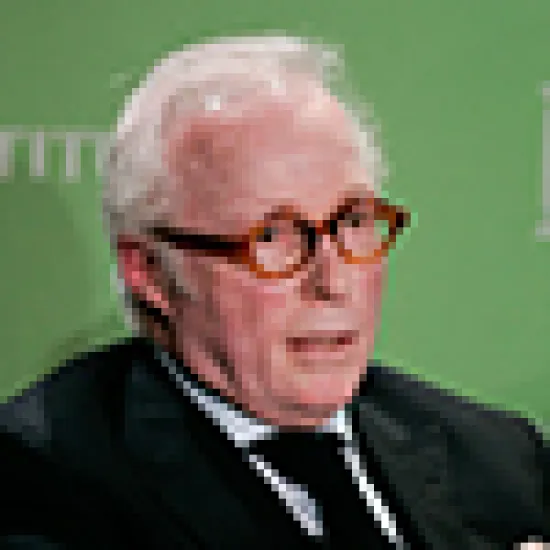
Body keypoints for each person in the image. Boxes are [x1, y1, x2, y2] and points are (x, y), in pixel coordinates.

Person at [1, 35, 547, 550]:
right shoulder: (44, 480)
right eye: (273, 236)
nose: (333, 282)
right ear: (150, 272)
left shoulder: (499, 461)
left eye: (354, 222)